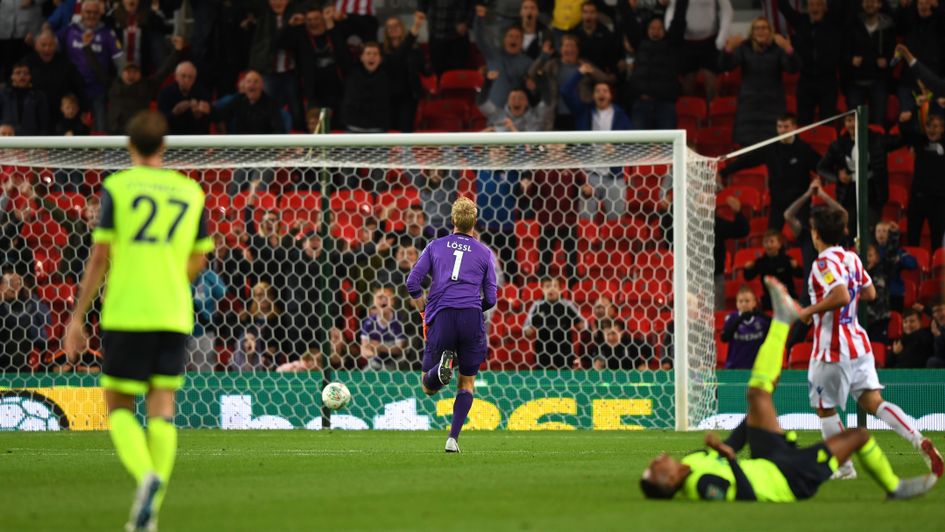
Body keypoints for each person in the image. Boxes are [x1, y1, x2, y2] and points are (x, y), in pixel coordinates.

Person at [641, 277, 940, 502]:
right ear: (670, 482)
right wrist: (729, 457)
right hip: (787, 477)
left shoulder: (691, 460)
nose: (657, 459)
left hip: (767, 457)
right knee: (859, 436)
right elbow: (743, 494)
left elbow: (731, 445)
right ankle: (895, 488)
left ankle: (782, 319)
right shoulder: (701, 486)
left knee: (756, 396)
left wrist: (749, 426)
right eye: (655, 469)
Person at [62, 111, 214, 531]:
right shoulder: (191, 191)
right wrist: (170, 280)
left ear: (129, 146)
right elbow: (199, 258)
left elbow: (100, 255)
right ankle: (150, 513)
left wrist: (77, 317)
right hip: (173, 311)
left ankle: (145, 475)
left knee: (117, 405)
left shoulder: (118, 187)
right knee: (162, 407)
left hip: (127, 309)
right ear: (164, 146)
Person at [797, 208, 943, 480]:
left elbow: (841, 295)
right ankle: (917, 439)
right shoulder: (851, 258)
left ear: (816, 234)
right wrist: (849, 295)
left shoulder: (822, 264)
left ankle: (844, 468)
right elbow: (870, 292)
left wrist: (809, 310)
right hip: (858, 343)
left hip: (832, 347)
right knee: (874, 401)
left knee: (825, 408)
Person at [406, 197, 498, 453]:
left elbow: (412, 283)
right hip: (471, 317)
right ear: (474, 221)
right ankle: (452, 439)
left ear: (453, 220)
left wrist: (424, 309)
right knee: (467, 383)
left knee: (428, 386)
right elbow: (491, 298)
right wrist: (473, 308)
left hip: (442, 315)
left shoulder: (436, 246)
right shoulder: (484, 252)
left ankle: (441, 369)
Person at [719, 114, 820, 231]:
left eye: (786, 127)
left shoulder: (804, 149)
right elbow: (746, 161)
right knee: (772, 235)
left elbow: (821, 166)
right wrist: (723, 172)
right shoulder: (770, 148)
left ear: (794, 127)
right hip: (778, 203)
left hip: (800, 204)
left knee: (803, 236)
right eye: (779, 127)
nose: (782, 130)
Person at [719, 18, 800, 147]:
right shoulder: (744, 48)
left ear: (770, 31)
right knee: (747, 148)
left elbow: (793, 68)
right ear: (752, 32)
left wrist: (788, 48)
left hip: (773, 107)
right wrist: (728, 49)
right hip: (748, 108)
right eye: (757, 28)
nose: (760, 31)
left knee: (773, 148)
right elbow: (725, 66)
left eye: (764, 28)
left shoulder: (778, 49)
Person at [87, 35, 184, 135]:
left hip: (138, 132)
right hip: (115, 132)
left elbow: (165, 70)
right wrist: (87, 47)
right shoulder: (112, 85)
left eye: (135, 71)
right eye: (128, 71)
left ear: (140, 74)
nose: (131, 74)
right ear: (122, 73)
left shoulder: (148, 85)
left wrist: (177, 51)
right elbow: (96, 68)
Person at [58, 0, 124, 132]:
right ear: (81, 13)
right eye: (88, 12)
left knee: (100, 130)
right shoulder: (70, 30)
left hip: (97, 90)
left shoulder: (107, 33)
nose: (91, 15)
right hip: (74, 91)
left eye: (95, 12)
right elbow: (51, 45)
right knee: (74, 130)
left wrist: (121, 84)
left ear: (100, 14)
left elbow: (120, 60)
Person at [622, 0, 688, 130]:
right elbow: (628, 19)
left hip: (665, 104)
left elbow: (679, 18)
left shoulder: (672, 45)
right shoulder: (639, 43)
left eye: (659, 28)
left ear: (665, 30)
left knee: (666, 141)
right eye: (652, 27)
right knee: (638, 141)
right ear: (647, 29)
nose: (656, 31)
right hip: (641, 103)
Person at [777, 0, 843, 125]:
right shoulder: (801, 21)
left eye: (818, 4)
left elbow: (843, 6)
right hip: (806, 80)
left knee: (828, 121)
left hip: (828, 81)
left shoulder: (834, 22)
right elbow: (784, 7)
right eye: (811, 5)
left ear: (825, 7)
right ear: (807, 8)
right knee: (803, 122)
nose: (814, 8)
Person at [665, 0, 733, 99]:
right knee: (688, 84)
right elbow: (671, 9)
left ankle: (713, 107)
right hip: (687, 43)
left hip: (710, 42)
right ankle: (690, 108)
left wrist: (721, 38)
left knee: (711, 83)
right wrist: (671, 31)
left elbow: (727, 10)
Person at [843, 0, 895, 125]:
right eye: (867, 1)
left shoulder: (888, 26)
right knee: (856, 124)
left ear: (880, 4)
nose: (870, 4)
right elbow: (843, 50)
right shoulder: (853, 24)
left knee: (878, 122)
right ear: (862, 4)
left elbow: (894, 51)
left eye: (873, 1)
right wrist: (850, 59)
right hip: (856, 80)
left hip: (879, 81)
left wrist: (887, 61)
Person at [898, 111, 945, 251]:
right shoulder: (920, 141)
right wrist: (903, 121)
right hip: (918, 198)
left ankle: (937, 265)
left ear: (942, 128)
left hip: (939, 200)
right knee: (912, 239)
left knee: (937, 241)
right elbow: (906, 134)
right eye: (929, 126)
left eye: (936, 126)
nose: (932, 130)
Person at [474, 5, 533, 111]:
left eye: (517, 37)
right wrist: (479, 19)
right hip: (493, 110)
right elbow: (480, 39)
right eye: (510, 36)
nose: (513, 39)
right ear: (504, 39)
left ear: (522, 42)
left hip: (516, 111)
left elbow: (533, 90)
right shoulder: (493, 55)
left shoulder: (528, 62)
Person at [23, 30, 86, 128]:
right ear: (36, 46)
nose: (47, 48)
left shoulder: (65, 63)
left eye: (51, 45)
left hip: (60, 116)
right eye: (43, 45)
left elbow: (79, 86)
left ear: (56, 46)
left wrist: (83, 109)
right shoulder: (27, 63)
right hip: (34, 114)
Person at [524, 277, 587, 369]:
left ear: (560, 290)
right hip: (543, 353)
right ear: (542, 289)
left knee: (565, 377)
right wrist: (530, 329)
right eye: (547, 286)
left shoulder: (567, 305)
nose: (551, 289)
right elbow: (526, 330)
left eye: (554, 286)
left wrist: (582, 326)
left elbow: (582, 325)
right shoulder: (537, 305)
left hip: (564, 353)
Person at [381, 13, 425, 133]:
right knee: (390, 132)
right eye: (390, 27)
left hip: (408, 96)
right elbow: (396, 59)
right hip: (388, 97)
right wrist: (414, 29)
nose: (393, 29)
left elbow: (424, 69)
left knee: (405, 130)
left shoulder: (414, 48)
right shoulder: (381, 51)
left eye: (396, 25)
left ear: (402, 28)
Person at [0, 270, 49, 371]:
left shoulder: (28, 301)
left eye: (18, 283)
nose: (14, 287)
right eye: (10, 283)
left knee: (18, 334)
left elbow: (47, 319)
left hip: (21, 348)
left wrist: (32, 298)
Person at [743, 230, 803, 311]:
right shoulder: (760, 262)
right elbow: (748, 277)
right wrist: (747, 269)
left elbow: (800, 275)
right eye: (766, 242)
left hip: (787, 295)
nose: (768, 245)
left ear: (779, 244)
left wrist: (796, 267)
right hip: (769, 298)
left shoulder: (786, 260)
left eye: (771, 241)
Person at [212, 70, 286, 134]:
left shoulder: (270, 103)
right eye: (248, 81)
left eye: (256, 82)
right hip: (241, 143)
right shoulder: (238, 99)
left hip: (262, 144)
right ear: (244, 85)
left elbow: (279, 130)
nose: (252, 84)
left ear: (262, 85)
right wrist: (209, 109)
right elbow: (220, 115)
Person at [561, 64, 631, 131]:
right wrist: (579, 73)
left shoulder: (620, 115)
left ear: (611, 95)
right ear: (593, 95)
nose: (601, 93)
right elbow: (565, 91)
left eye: (605, 91)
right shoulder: (583, 111)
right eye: (597, 91)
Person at [720, 286, 770, 369]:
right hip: (734, 367)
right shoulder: (731, 318)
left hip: (756, 367)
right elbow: (724, 338)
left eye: (747, 301)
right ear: (736, 303)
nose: (744, 304)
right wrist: (740, 319)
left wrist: (762, 315)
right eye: (740, 301)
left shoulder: (761, 320)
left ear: (754, 303)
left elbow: (775, 331)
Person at [416, 1, 471, 75]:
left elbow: (474, 5)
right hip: (435, 35)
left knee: (457, 74)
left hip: (458, 37)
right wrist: (421, 10)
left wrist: (467, 22)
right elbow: (421, 5)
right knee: (438, 73)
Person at [359, 286, 408, 369]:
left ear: (393, 301)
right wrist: (370, 352)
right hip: (375, 362)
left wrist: (379, 347)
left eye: (386, 297)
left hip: (395, 363)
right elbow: (364, 349)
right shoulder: (368, 322)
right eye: (380, 297)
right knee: (365, 373)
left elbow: (400, 350)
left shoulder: (398, 321)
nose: (383, 300)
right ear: (374, 301)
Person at [157, 61, 213, 135]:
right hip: (173, 136)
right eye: (183, 76)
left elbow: (209, 121)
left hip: (196, 136)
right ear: (176, 77)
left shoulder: (202, 93)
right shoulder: (165, 94)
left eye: (190, 77)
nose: (187, 80)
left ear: (194, 79)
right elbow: (160, 122)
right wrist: (174, 113)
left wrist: (198, 115)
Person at [0, 62, 49, 135]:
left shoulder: (38, 96)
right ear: (12, 76)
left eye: (25, 73)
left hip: (31, 139)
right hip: (6, 138)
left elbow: (44, 122)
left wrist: (42, 140)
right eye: (18, 73)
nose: (22, 76)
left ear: (30, 76)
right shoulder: (3, 94)